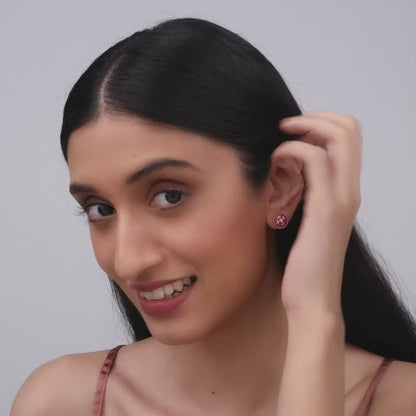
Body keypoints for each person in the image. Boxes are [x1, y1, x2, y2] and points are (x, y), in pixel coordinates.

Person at [11, 17, 416, 416]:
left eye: (169, 196)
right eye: (100, 209)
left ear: (280, 185)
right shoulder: (59, 403)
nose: (128, 261)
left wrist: (314, 312)